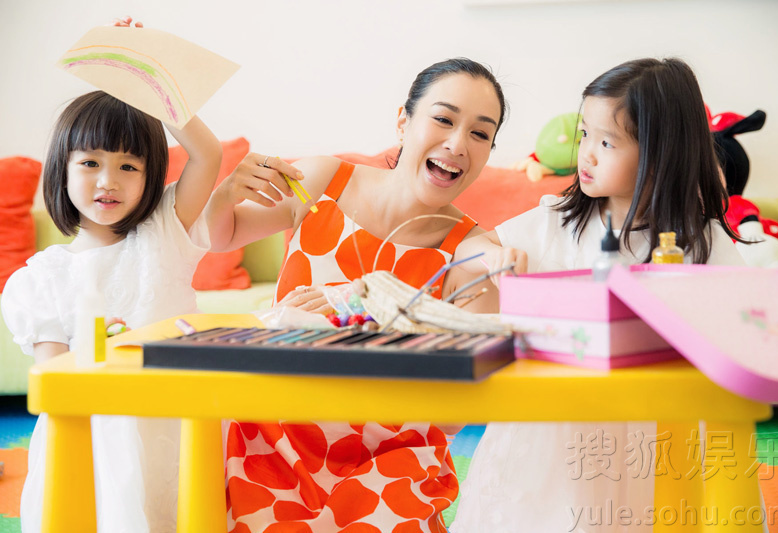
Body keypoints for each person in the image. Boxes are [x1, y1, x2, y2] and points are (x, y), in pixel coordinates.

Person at [205, 57, 506, 531]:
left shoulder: (471, 253)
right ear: (404, 121)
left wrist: (387, 321)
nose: (457, 143)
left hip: (391, 457)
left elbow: (455, 416)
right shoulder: (324, 180)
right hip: (272, 435)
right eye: (444, 119)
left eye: (480, 133)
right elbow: (219, 235)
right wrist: (226, 194)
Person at [449, 57, 745, 532]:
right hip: (549, 439)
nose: (585, 153)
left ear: (661, 152)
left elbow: (742, 321)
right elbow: (471, 242)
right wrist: (489, 257)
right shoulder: (557, 221)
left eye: (605, 142)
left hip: (655, 441)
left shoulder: (701, 240)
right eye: (584, 133)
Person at [1, 19, 222, 532]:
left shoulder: (165, 231)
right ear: (62, 168)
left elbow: (207, 153)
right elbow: (55, 386)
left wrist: (148, 74)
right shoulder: (43, 279)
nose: (108, 180)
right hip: (91, 443)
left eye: (129, 166)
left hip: (170, 430)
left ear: (151, 176)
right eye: (91, 162)